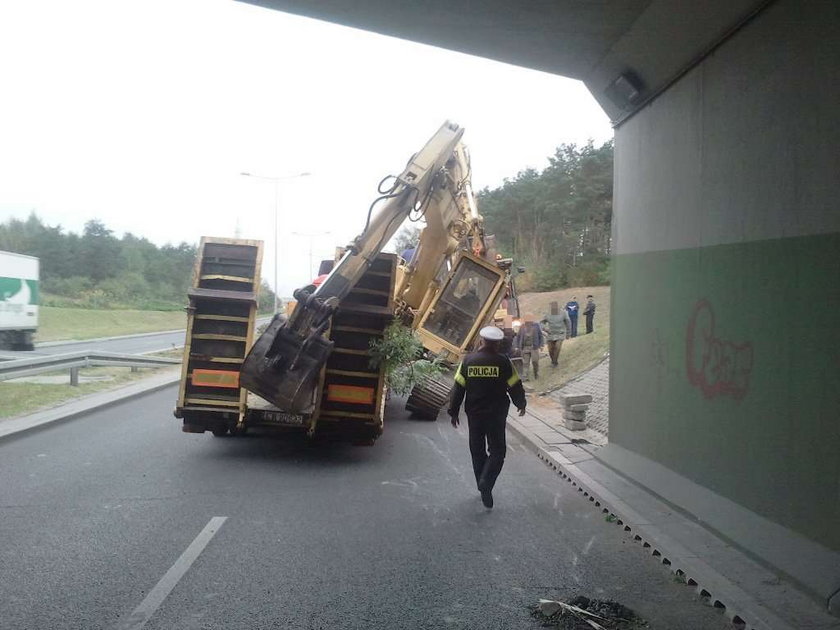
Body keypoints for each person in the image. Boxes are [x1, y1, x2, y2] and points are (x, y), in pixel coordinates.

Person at [449, 326, 527, 508]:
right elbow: (515, 385)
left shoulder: (468, 361)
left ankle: (481, 484)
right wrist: (520, 403)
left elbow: (458, 387)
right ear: (498, 343)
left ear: (482, 341)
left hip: (474, 414)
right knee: (498, 451)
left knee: (477, 451)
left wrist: (453, 411)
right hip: (496, 414)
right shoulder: (504, 362)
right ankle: (487, 483)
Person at [540, 301, 572, 367]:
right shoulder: (547, 314)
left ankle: (555, 362)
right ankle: (553, 360)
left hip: (560, 333)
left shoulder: (563, 313)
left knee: (557, 347)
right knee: (550, 349)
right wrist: (545, 328)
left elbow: (568, 322)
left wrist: (568, 333)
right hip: (551, 334)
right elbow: (541, 322)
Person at [513, 314, 543, 381]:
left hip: (534, 347)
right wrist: (517, 346)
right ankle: (525, 377)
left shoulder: (536, 326)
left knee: (535, 361)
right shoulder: (522, 327)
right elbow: (518, 337)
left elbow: (540, 335)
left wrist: (541, 345)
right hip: (525, 348)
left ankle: (536, 374)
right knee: (525, 363)